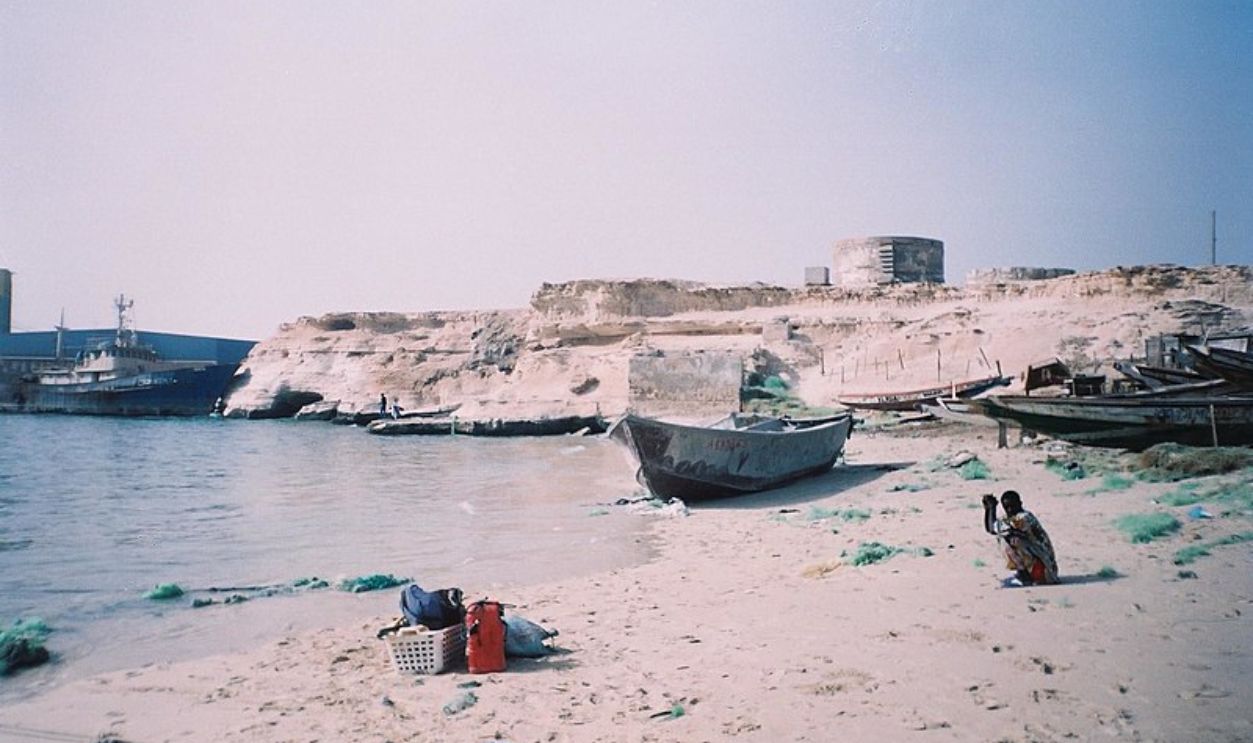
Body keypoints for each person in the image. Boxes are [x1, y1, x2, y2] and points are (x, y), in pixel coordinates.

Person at [983, 490, 1058, 586]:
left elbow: (995, 528)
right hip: (1040, 565)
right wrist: (989, 509)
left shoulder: (1024, 518)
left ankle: (1025, 576)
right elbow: (992, 529)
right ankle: (1025, 575)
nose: (1010, 510)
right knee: (1006, 537)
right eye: (1007, 507)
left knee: (1008, 541)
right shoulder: (1010, 519)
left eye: (1013, 506)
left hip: (1046, 570)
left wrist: (992, 509)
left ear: (1020, 504)